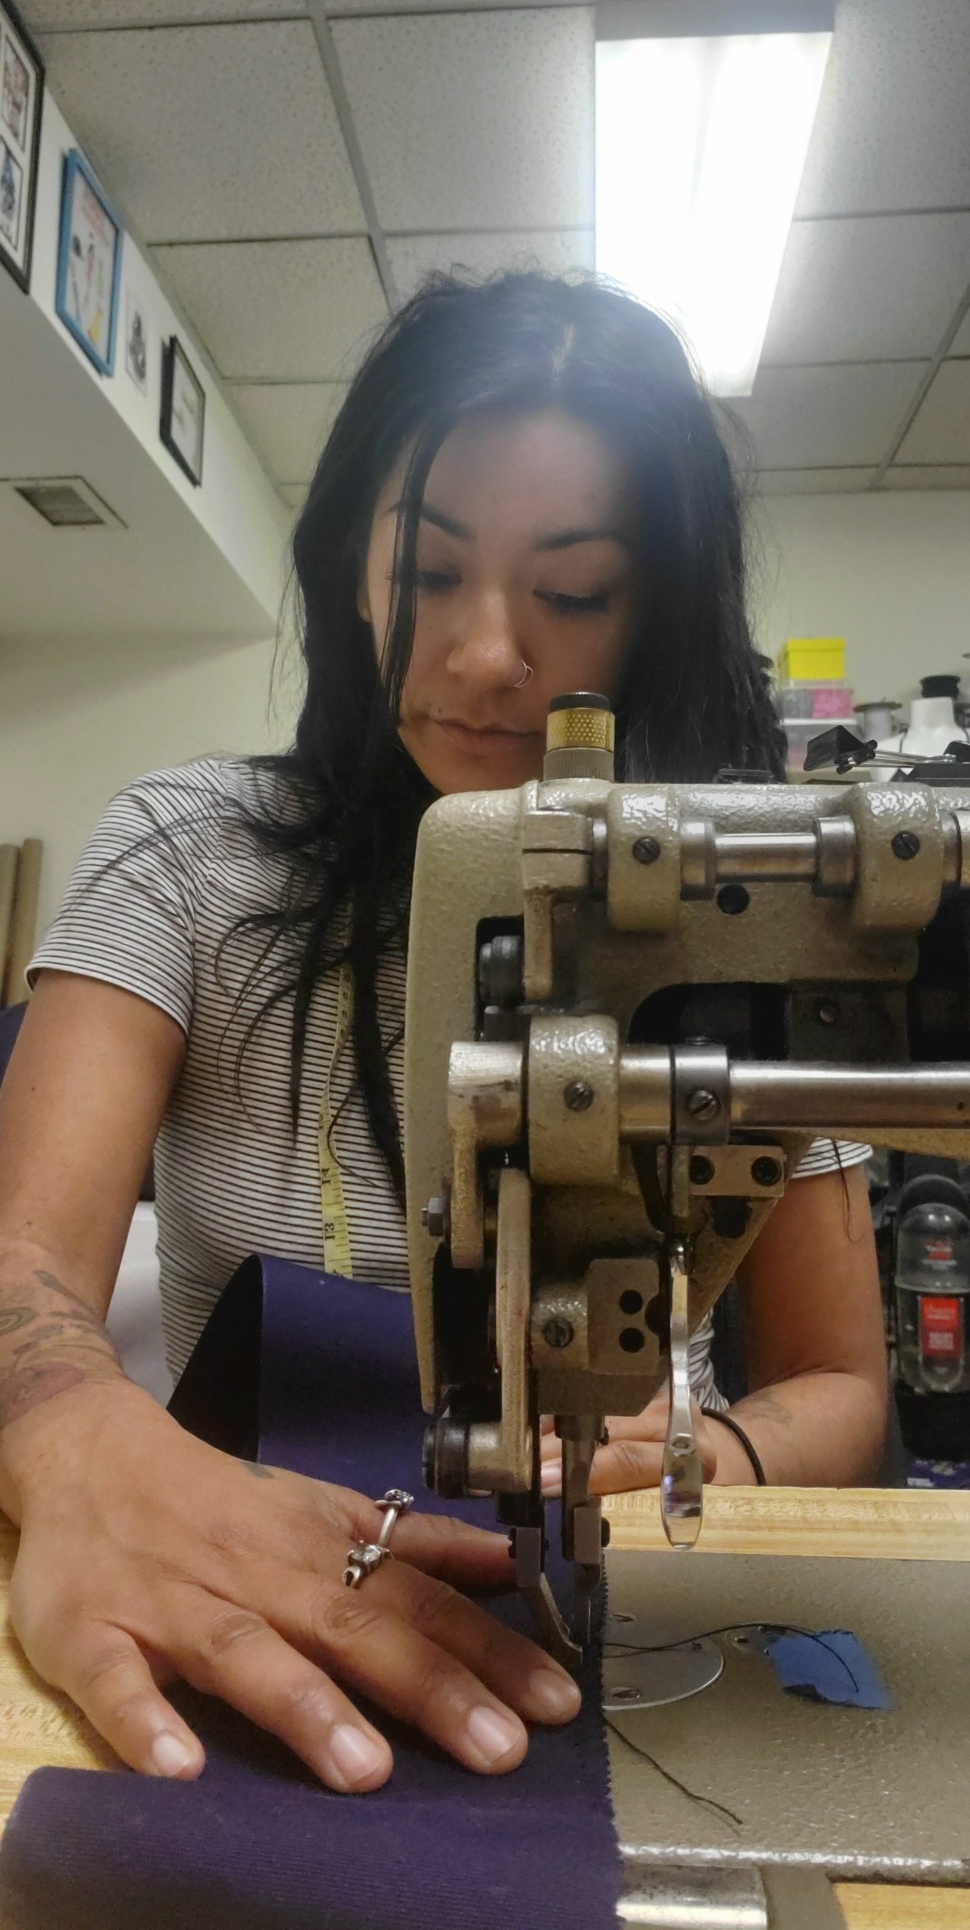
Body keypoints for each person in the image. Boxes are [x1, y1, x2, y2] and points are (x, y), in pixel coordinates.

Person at [0, 272, 887, 1797]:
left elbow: (838, 1383)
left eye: (572, 590)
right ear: (353, 571)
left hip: (617, 1594)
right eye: (429, 569)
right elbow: (21, 1267)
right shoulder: (184, 857)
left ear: (656, 608)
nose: (485, 652)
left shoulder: (746, 917)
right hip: (236, 1576)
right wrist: (71, 1430)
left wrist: (706, 1454)